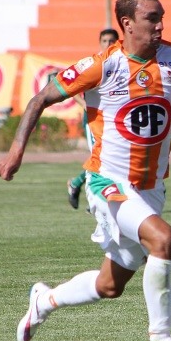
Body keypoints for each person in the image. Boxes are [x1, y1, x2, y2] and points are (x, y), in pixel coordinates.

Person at [0, 0, 171, 341]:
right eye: (151, 18)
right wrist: (17, 150)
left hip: (150, 187)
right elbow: (39, 99)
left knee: (110, 286)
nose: (159, 26)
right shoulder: (102, 65)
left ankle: (43, 301)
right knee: (163, 238)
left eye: (161, 18)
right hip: (109, 182)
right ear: (127, 23)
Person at [67, 28, 119, 210]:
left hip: (113, 119)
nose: (108, 44)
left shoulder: (121, 63)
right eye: (105, 41)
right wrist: (83, 104)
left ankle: (77, 183)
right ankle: (93, 200)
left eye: (111, 41)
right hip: (94, 118)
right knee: (100, 158)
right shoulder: (92, 64)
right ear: (100, 43)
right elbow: (70, 88)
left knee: (110, 158)